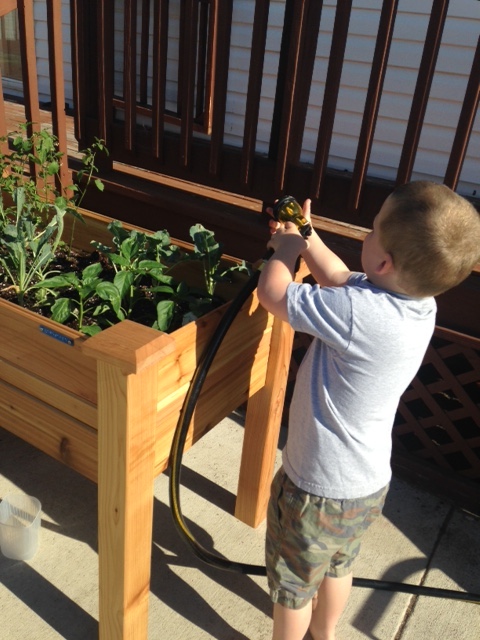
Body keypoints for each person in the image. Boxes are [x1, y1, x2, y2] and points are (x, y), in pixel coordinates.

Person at [257, 181, 480, 640]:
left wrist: (282, 251)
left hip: (316, 489)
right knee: (338, 567)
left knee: (293, 587)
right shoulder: (417, 304)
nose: (366, 233)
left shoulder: (360, 314)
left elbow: (274, 295)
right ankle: (326, 634)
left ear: (384, 262)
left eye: (374, 229)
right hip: (365, 486)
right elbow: (339, 277)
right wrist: (306, 234)